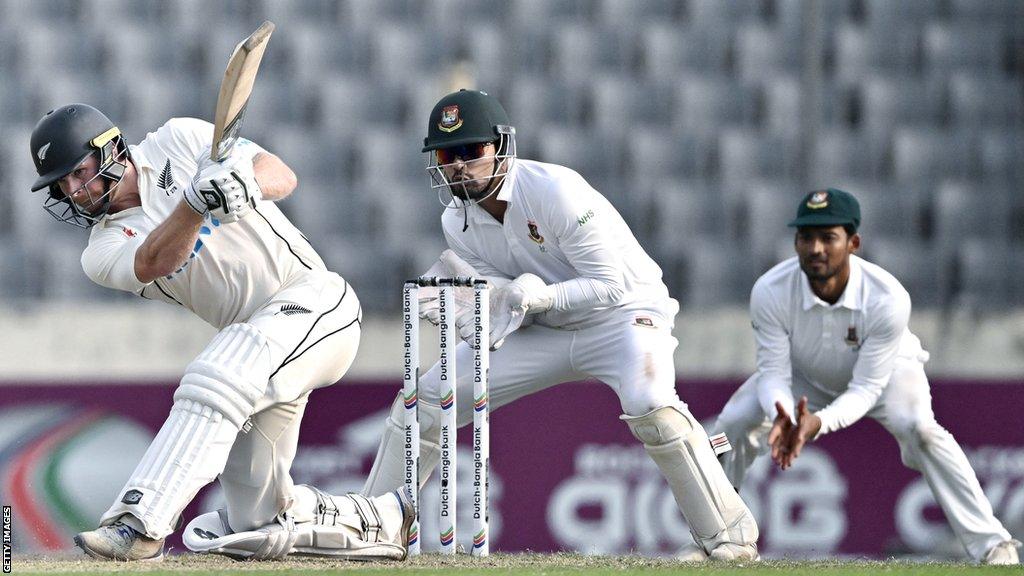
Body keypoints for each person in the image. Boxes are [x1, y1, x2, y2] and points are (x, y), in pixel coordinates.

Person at [361, 89, 760, 560]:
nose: (460, 165)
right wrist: (477, 304)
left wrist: (539, 295)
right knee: (426, 400)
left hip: (621, 317)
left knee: (652, 405)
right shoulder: (456, 222)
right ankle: (370, 529)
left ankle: (729, 539)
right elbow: (502, 295)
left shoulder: (554, 191)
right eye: (449, 154)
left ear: (501, 146)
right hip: (542, 327)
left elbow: (609, 284)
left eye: (472, 151)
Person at [28, 104, 412, 561]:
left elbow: (281, 175)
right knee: (256, 519)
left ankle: (138, 523)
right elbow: (155, 261)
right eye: (61, 184)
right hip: (253, 346)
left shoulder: (180, 138)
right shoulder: (101, 252)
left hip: (315, 303)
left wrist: (243, 185)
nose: (74, 190)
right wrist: (194, 204)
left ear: (109, 149)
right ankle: (380, 519)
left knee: (214, 370)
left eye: (78, 172)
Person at [712, 188, 1021, 565]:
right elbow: (773, 372)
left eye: (829, 238)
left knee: (920, 428)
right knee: (727, 428)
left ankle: (992, 546)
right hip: (803, 376)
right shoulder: (770, 290)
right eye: (806, 238)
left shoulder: (887, 298)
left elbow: (866, 388)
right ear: (795, 241)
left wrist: (817, 423)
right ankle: (719, 541)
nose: (816, 249)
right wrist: (785, 415)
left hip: (888, 375)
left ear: (853, 242)